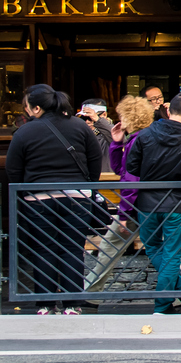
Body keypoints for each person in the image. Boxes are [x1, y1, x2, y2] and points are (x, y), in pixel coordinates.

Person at [6, 84, 102, 315]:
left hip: (38, 199)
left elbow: (13, 169)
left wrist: (24, 191)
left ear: (36, 108)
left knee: (43, 249)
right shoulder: (80, 126)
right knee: (72, 248)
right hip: (76, 197)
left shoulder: (24, 132)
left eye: (27, 107)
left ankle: (46, 304)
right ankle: (72, 304)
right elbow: (95, 158)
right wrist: (86, 183)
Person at [125, 91, 181, 315]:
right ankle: (166, 301)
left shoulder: (145, 134)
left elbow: (132, 168)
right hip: (176, 203)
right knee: (172, 253)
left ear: (169, 111)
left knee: (151, 246)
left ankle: (172, 296)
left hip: (147, 202)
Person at [86, 95, 154, 292]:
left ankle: (89, 292)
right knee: (158, 249)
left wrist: (123, 214)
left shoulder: (136, 141)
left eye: (122, 116)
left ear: (131, 117)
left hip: (136, 206)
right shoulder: (139, 138)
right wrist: (116, 143)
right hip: (147, 204)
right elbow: (120, 170)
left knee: (109, 248)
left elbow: (130, 180)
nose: (119, 120)